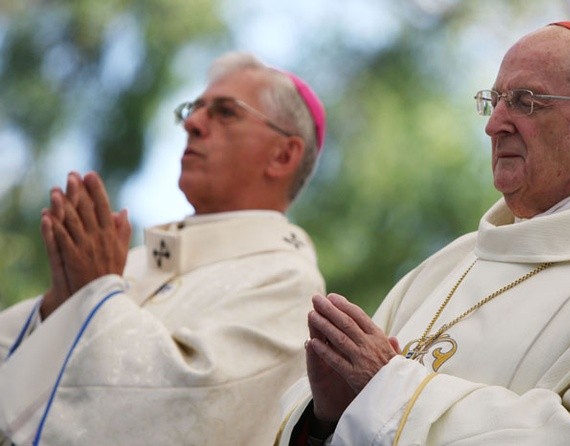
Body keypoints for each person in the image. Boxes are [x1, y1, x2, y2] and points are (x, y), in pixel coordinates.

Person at [275, 21, 570, 445]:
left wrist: (388, 392)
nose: (494, 125)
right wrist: (327, 416)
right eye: (495, 101)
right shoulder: (451, 262)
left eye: (526, 101)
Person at [0, 51, 327, 445]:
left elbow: (194, 411)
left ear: (283, 155)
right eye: (194, 108)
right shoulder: (132, 261)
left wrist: (96, 297)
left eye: (225, 112)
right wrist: (57, 307)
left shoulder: (288, 283)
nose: (191, 123)